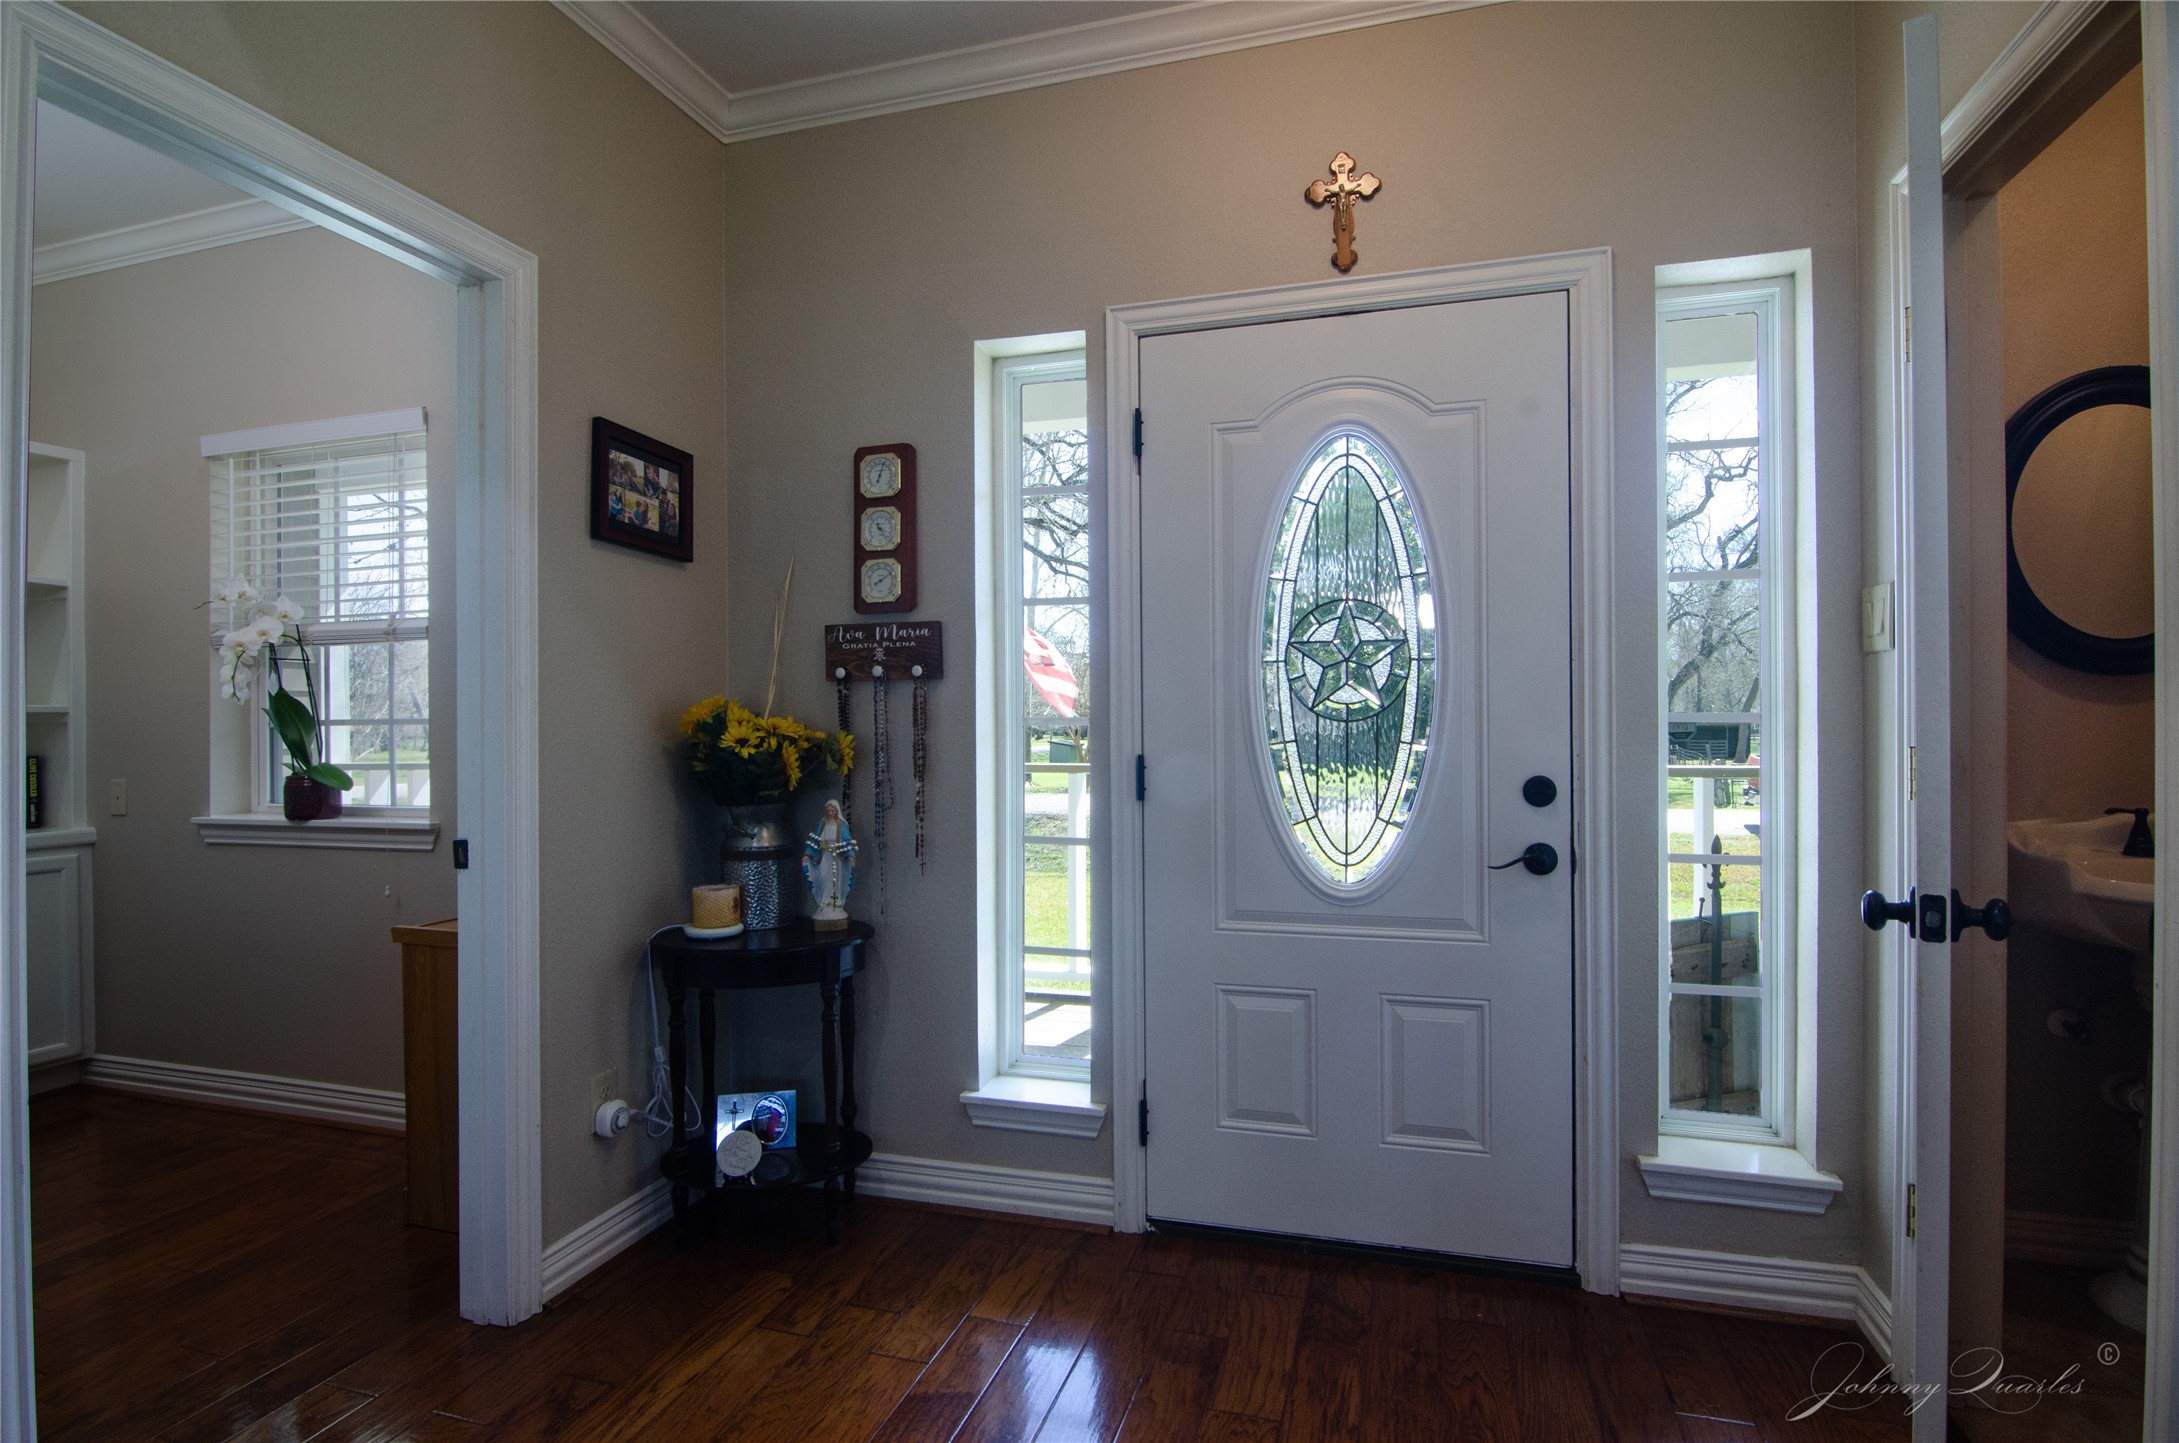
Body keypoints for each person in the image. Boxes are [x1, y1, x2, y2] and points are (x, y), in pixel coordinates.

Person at [803, 798, 856, 929]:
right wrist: (808, 854)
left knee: (835, 878)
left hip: (837, 857)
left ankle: (836, 902)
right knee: (823, 877)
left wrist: (850, 856)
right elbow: (815, 840)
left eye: (832, 810)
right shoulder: (821, 824)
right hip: (824, 856)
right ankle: (824, 902)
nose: (830, 812)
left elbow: (847, 841)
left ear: (836, 811)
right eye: (828, 810)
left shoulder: (842, 826)